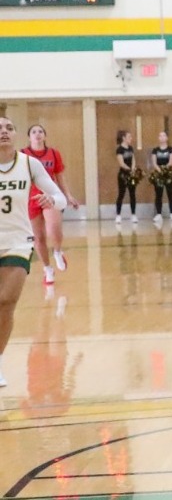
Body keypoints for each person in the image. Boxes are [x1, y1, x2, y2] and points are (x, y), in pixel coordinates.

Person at [0, 116, 69, 387]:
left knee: (6, 301)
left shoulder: (29, 164)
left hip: (17, 241)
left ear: (16, 134)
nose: (4, 132)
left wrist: (52, 199)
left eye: (9, 127)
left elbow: (60, 197)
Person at [22, 124, 76, 287]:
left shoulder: (53, 153)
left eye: (40, 132)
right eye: (33, 132)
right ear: (29, 137)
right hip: (31, 198)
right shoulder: (23, 155)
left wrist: (68, 196)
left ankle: (58, 251)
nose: (37, 134)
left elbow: (59, 176)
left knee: (54, 229)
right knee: (38, 237)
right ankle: (47, 269)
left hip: (51, 196)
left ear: (45, 136)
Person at [149, 132, 172, 225]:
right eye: (160, 136)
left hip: (168, 174)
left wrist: (165, 169)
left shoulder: (171, 149)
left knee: (170, 193)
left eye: (164, 135)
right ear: (158, 138)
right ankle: (158, 214)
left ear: (167, 138)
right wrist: (159, 170)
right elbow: (154, 162)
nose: (162, 137)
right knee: (158, 194)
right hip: (158, 174)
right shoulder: (155, 150)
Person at [115, 130, 139, 223]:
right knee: (121, 194)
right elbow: (121, 163)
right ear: (124, 138)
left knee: (132, 194)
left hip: (131, 175)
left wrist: (133, 168)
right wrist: (129, 169)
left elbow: (133, 159)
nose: (131, 139)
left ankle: (133, 215)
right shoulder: (119, 149)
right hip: (123, 175)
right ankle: (118, 215)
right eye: (129, 137)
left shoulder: (131, 148)